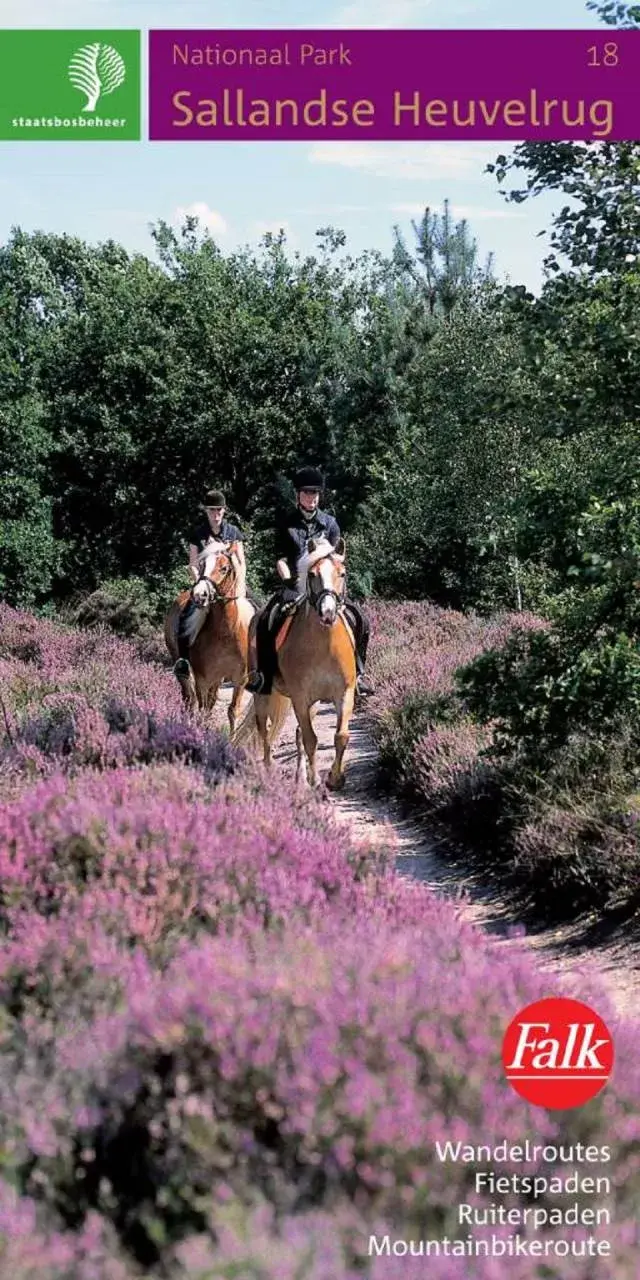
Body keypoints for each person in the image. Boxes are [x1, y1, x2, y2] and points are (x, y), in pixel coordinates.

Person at [245, 466, 374, 696]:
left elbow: (336, 560)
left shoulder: (331, 524)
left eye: (314, 493)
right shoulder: (287, 524)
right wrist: (288, 579)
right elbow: (281, 559)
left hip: (326, 587)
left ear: (319, 496)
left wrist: (333, 584)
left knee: (361, 619)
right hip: (296, 585)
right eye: (306, 493)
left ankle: (359, 673)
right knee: (266, 619)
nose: (311, 498)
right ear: (298, 495)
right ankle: (265, 675)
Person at [173, 489, 246, 678]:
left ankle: (256, 665)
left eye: (219, 510)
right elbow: (192, 564)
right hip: (205, 582)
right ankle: (183, 661)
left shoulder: (234, 532)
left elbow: (241, 562)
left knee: (257, 612)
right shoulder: (198, 534)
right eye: (212, 510)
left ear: (224, 511)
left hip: (230, 586)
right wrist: (200, 583)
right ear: (206, 511)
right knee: (186, 615)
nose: (216, 514)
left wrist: (240, 586)